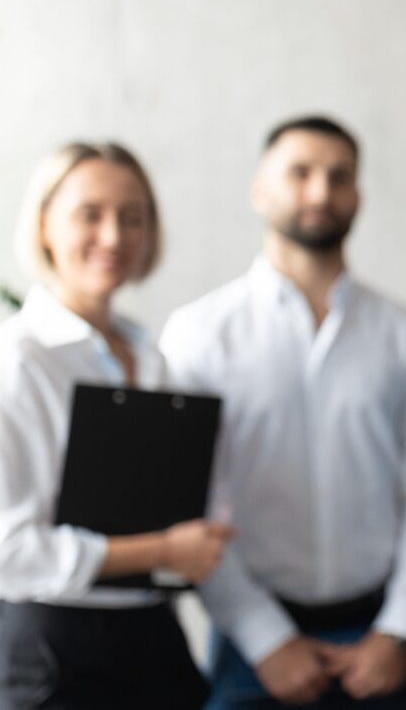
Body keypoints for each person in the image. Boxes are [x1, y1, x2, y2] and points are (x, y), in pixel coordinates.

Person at [160, 116, 406, 708]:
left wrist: (399, 627)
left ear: (358, 196)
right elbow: (192, 501)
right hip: (251, 641)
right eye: (300, 173)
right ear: (260, 189)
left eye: (338, 177)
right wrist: (265, 639)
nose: (320, 191)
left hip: (381, 637)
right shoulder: (197, 334)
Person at [0, 142, 230, 708]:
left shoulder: (152, 358)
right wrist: (162, 550)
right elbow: (10, 552)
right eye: (90, 214)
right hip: (55, 654)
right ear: (45, 224)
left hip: (153, 640)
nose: (114, 236)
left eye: (133, 217)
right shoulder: (20, 360)